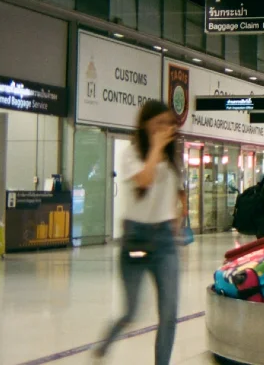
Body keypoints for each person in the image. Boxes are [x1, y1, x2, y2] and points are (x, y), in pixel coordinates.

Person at [94, 101, 183, 365]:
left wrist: (175, 219)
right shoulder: (131, 153)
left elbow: (171, 193)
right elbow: (145, 180)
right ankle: (107, 341)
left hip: (165, 241)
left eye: (169, 124)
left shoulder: (172, 158)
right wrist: (156, 147)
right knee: (131, 311)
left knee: (169, 312)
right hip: (136, 239)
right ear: (145, 125)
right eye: (159, 124)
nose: (165, 129)